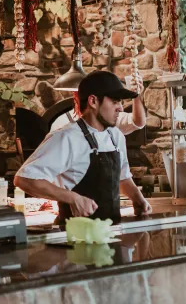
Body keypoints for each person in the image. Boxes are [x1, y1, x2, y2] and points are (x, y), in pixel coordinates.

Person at [14, 71, 152, 224]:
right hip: (74, 235)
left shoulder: (115, 136)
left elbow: (122, 176)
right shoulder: (66, 137)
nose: (120, 108)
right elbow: (25, 179)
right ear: (93, 101)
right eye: (115, 101)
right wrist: (73, 198)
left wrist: (137, 198)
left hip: (110, 233)